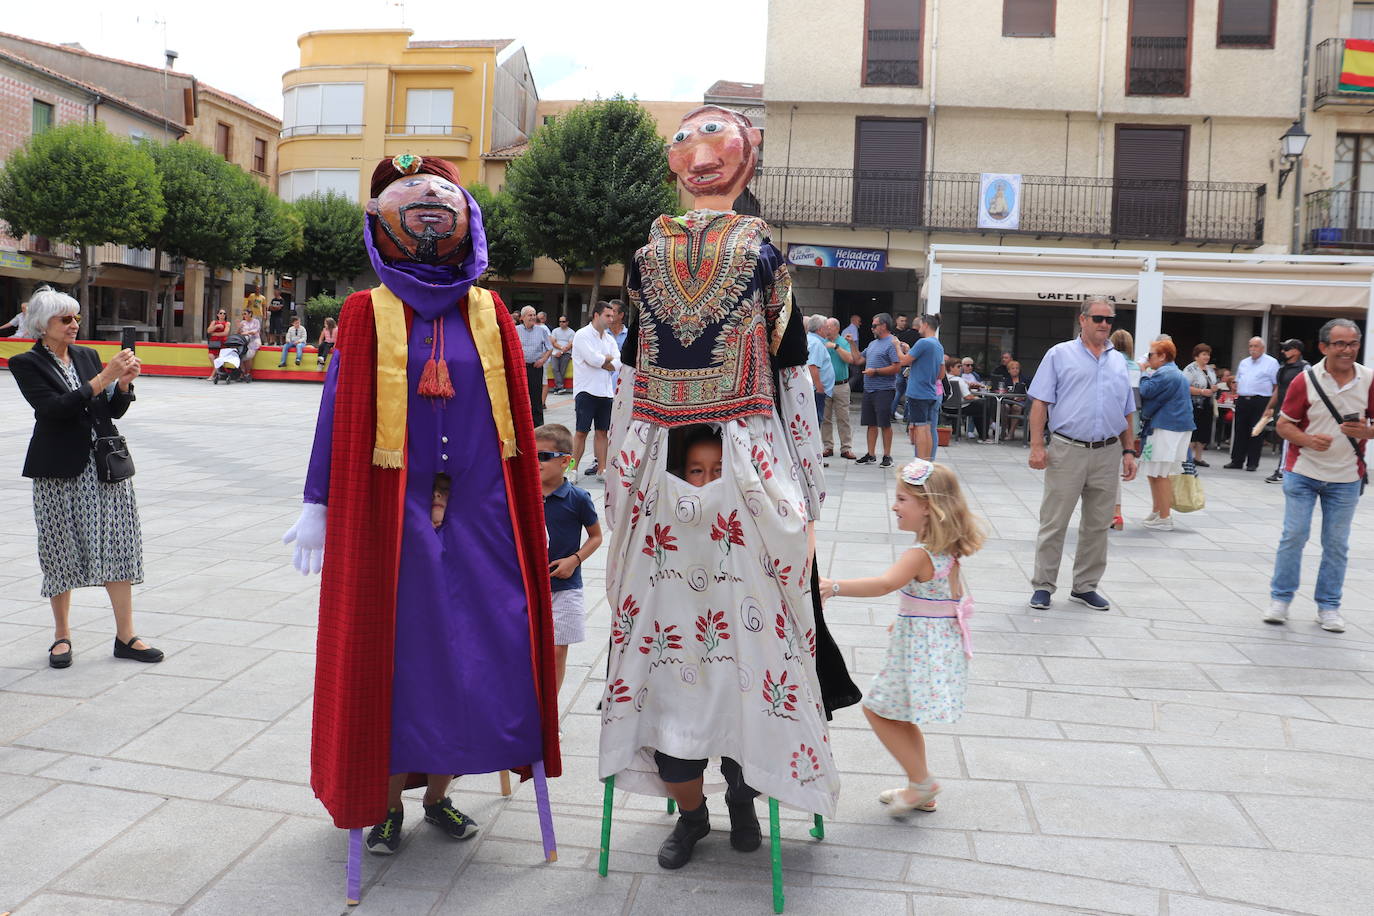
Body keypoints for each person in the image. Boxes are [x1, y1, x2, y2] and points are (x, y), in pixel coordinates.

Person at [281, 154, 560, 868]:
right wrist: (318, 501)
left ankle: (440, 794)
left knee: (477, 648)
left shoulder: (491, 312)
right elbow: (338, 412)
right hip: (389, 511)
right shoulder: (363, 311)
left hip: (482, 512)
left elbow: (519, 418)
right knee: (397, 652)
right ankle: (385, 803)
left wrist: (533, 500)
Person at [604, 105, 857, 871]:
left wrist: (798, 484)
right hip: (672, 464)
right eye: (685, 141)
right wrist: (624, 475)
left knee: (751, 644)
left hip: (738, 465)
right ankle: (693, 813)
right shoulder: (649, 258)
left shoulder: (762, 255)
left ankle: (745, 794)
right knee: (673, 649)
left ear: (745, 160)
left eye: (715, 141)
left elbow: (788, 372)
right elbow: (634, 373)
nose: (699, 155)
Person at [8, 287, 162, 668]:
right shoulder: (26, 363)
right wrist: (104, 376)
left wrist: (122, 384)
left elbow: (110, 410)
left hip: (103, 466)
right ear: (42, 324)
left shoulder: (87, 355)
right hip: (57, 470)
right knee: (59, 548)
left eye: (76, 317)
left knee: (119, 544)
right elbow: (54, 409)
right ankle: (62, 635)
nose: (74, 324)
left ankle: (126, 636)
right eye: (65, 319)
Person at [819, 459, 982, 816]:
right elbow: (945, 598)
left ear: (928, 507)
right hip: (931, 645)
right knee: (901, 715)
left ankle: (922, 783)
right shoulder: (947, 551)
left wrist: (835, 586)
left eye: (902, 499)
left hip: (917, 651)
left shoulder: (918, 554)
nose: (894, 506)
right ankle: (919, 785)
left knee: (877, 709)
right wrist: (910, 617)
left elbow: (884, 584)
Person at [1026, 297, 1138, 612]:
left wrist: (1129, 450)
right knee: (1054, 521)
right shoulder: (1059, 354)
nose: (1104, 324)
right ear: (1083, 320)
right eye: (1098, 318)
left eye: (1109, 320)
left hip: (1108, 451)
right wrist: (1037, 446)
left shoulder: (1118, 361)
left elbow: (1127, 410)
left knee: (1098, 524)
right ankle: (1043, 586)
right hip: (1068, 449)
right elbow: (1040, 402)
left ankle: (1085, 586)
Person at [1265, 319, 1371, 634]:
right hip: (1303, 471)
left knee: (1336, 544)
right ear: (1324, 347)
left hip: (1347, 476)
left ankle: (1329, 606)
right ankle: (1280, 600)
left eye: (1353, 343)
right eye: (1339, 344)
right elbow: (1284, 425)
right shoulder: (1305, 380)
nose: (1347, 350)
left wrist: (1366, 432)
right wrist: (1308, 440)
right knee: (1294, 535)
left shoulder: (1369, 380)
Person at [536, 423, 603, 693]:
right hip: (528, 586)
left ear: (565, 461)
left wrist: (574, 560)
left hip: (565, 587)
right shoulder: (523, 495)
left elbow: (596, 536)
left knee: (556, 651)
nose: (536, 461)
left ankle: (551, 708)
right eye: (531, 455)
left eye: (543, 456)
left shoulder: (578, 498)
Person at [1137, 339, 1195, 531]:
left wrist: (1143, 371)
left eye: (1151, 354)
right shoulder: (1172, 372)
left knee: (1160, 473)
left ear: (1162, 356)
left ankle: (1164, 516)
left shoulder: (1166, 373)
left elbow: (1146, 391)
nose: (1148, 358)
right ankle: (1158, 511)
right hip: (1167, 426)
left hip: (1166, 427)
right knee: (1154, 471)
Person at [571, 301, 621, 477]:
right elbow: (593, 359)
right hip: (586, 390)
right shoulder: (582, 335)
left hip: (605, 391)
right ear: (596, 315)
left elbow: (618, 363)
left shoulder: (609, 338)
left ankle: (602, 469)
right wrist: (605, 359)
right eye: (607, 316)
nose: (611, 319)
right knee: (581, 432)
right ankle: (572, 469)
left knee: (602, 432)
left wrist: (604, 360)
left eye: (612, 316)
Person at [1225, 337, 1279, 472]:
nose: (1252, 349)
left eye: (1256, 346)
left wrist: (1271, 405)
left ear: (1262, 348)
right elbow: (1238, 380)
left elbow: (1276, 385)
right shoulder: (1244, 362)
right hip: (1243, 399)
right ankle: (1237, 460)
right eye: (1250, 346)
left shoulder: (1271, 363)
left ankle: (1252, 463)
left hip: (1261, 400)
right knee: (1240, 430)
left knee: (1256, 431)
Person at [856, 313, 902, 467]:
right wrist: (850, 344)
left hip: (884, 389)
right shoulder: (872, 344)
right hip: (869, 389)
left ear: (884, 326)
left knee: (885, 424)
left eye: (874, 325)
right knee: (871, 423)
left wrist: (875, 371)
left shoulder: (892, 343)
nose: (872, 328)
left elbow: (897, 367)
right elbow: (858, 359)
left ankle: (887, 456)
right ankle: (871, 454)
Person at [1263, 339, 1309, 484]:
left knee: (1288, 442)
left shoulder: (1305, 368)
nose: (1283, 351)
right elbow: (1278, 390)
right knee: (1285, 441)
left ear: (1296, 351)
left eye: (1287, 349)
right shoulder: (1282, 368)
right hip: (1283, 410)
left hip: (1298, 412)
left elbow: (1312, 389)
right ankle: (1289, 470)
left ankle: (1282, 471)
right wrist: (1269, 407)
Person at [1108, 329, 1141, 531]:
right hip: (1131, 423)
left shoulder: (1110, 363)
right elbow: (1136, 401)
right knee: (1116, 469)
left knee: (1107, 470)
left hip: (1111, 422)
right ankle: (1117, 513)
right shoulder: (1136, 367)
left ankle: (1112, 513)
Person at [903, 313, 944, 460]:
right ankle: (927, 462)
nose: (918, 328)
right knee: (928, 429)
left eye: (920, 324)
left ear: (925, 325)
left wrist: (896, 346)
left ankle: (920, 462)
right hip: (931, 392)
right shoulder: (938, 345)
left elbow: (903, 361)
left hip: (918, 392)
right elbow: (941, 374)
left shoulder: (923, 343)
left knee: (920, 429)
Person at [820, 317, 856, 460]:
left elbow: (850, 359)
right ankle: (828, 446)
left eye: (828, 327)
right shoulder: (821, 341)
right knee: (825, 418)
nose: (826, 329)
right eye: (825, 327)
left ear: (837, 328)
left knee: (843, 418)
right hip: (825, 385)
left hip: (841, 385)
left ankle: (846, 448)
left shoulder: (843, 341)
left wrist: (836, 347)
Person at [516, 305, 553, 426]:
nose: (532, 317)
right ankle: (521, 424)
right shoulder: (516, 330)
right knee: (520, 397)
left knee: (536, 398)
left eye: (534, 314)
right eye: (529, 315)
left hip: (536, 368)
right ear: (522, 317)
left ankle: (538, 426)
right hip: (520, 369)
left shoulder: (541, 330)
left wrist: (543, 360)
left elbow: (549, 348)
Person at [1183, 344, 1218, 466]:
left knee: (1204, 431)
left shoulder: (1210, 370)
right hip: (1193, 404)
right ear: (1196, 356)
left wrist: (1214, 388)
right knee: (1193, 431)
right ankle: (1187, 457)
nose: (1207, 357)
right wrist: (1201, 391)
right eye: (1204, 354)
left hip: (1207, 404)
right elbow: (1184, 387)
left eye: (1208, 354)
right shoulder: (1190, 369)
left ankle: (1198, 458)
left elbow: (1213, 384)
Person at [946, 358, 993, 442]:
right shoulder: (959, 380)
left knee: (979, 406)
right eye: (958, 366)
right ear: (951, 368)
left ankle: (979, 432)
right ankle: (984, 436)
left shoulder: (944, 379)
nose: (960, 368)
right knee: (983, 406)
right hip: (959, 408)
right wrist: (977, 398)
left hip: (946, 408)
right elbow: (967, 397)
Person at [805, 314, 834, 428]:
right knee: (815, 423)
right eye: (827, 327)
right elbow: (812, 366)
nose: (829, 329)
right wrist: (819, 388)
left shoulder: (812, 340)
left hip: (814, 390)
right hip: (816, 391)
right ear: (820, 329)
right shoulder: (816, 343)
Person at [1000, 360, 1029, 441]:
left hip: (1020, 401)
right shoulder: (1005, 380)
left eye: (1017, 368)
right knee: (1005, 407)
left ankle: (1011, 433)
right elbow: (1001, 392)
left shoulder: (1025, 380)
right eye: (1013, 368)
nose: (1015, 370)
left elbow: (1030, 393)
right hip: (1007, 400)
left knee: (1016, 407)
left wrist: (1022, 398)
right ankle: (1003, 431)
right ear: (1009, 370)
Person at [548, 314, 575, 395]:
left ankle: (558, 387)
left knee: (562, 370)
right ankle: (560, 387)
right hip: (555, 352)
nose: (561, 323)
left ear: (567, 322)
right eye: (560, 321)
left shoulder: (571, 332)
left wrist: (562, 352)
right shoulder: (555, 331)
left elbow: (570, 344)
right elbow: (553, 342)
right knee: (554, 368)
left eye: (563, 321)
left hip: (566, 353)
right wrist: (561, 348)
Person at [205, 308, 231, 380]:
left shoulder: (227, 323)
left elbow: (225, 333)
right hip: (214, 343)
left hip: (222, 343)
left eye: (224, 313)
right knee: (211, 356)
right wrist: (216, 326)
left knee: (219, 358)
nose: (222, 315)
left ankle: (213, 375)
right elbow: (209, 331)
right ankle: (217, 372)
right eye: (221, 313)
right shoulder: (214, 322)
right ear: (217, 315)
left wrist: (215, 334)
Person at [237, 308, 262, 381]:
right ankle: (242, 372)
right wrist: (239, 327)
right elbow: (238, 333)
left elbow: (255, 331)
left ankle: (247, 373)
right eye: (243, 314)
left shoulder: (256, 321)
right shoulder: (243, 322)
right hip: (244, 341)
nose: (244, 315)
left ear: (250, 314)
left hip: (254, 341)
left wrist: (246, 333)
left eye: (245, 314)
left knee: (249, 356)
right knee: (239, 354)